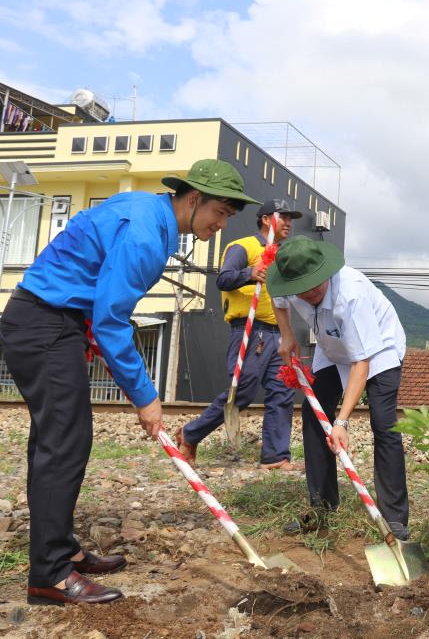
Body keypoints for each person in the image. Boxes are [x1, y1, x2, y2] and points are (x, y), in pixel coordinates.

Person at [0, 159, 257, 605]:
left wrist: (93, 337)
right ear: (193, 199)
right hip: (44, 323)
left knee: (60, 442)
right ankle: (49, 576)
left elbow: (97, 296)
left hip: (52, 322)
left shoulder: (144, 210)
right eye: (219, 213)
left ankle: (62, 551)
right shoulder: (145, 234)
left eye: (228, 218)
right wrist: (146, 397)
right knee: (64, 444)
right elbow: (112, 318)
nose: (221, 224)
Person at [268, 237, 410, 539]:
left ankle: (394, 517)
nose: (311, 294)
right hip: (332, 346)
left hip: (378, 348)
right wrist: (287, 336)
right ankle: (321, 506)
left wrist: (342, 422)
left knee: (383, 424)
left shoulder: (351, 295)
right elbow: (277, 300)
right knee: (313, 413)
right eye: (303, 291)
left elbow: (362, 363)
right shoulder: (288, 284)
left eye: (316, 287)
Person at [175, 199, 302, 470]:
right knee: (241, 392)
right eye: (285, 217)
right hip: (250, 330)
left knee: (282, 391)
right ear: (267, 219)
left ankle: (275, 457)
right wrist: (251, 272)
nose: (290, 223)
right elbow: (224, 278)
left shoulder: (282, 254)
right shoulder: (243, 246)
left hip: (277, 333)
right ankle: (191, 434)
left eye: (292, 218)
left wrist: (289, 335)